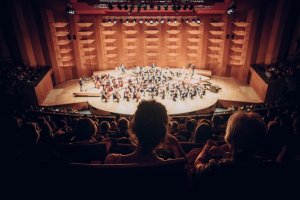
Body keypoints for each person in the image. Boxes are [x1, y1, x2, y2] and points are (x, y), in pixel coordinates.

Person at [104, 100, 185, 164]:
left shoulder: (112, 161)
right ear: (163, 132)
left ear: (133, 128)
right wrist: (176, 144)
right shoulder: (171, 166)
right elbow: (185, 172)